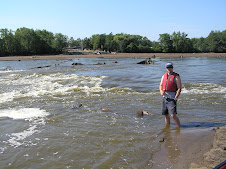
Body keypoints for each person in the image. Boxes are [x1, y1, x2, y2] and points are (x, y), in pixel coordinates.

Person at [159, 62, 181, 128]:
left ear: (172, 68)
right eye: (168, 67)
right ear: (166, 68)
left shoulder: (176, 77)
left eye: (170, 67)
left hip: (172, 98)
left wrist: (176, 97)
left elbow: (179, 88)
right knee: (166, 115)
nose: (169, 69)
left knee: (173, 115)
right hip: (164, 97)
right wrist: (161, 92)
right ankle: (167, 128)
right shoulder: (164, 76)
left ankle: (179, 128)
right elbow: (160, 85)